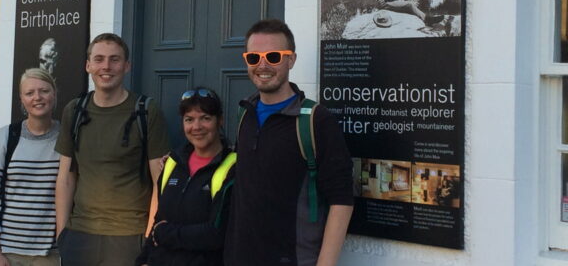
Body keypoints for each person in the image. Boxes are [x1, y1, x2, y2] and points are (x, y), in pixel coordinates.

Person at [224, 19, 354, 266]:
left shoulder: (316, 120)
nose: (263, 65)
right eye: (254, 58)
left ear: (291, 60)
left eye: (273, 56)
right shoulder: (245, 114)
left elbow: (342, 199)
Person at [55, 33, 170, 266]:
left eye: (114, 59)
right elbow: (66, 177)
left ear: (126, 66)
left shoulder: (146, 111)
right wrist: (62, 234)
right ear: (88, 65)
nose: (106, 66)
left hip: (129, 236)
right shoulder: (74, 110)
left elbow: (161, 181)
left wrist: (149, 238)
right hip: (80, 235)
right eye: (99, 59)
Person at [135, 88, 234, 266]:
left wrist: (164, 233)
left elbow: (216, 234)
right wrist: (143, 260)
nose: (196, 127)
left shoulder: (234, 167)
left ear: (220, 121)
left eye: (205, 118)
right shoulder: (173, 163)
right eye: (189, 119)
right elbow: (159, 221)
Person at [0, 68, 61, 266]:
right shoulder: (6, 137)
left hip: (52, 255)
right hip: (8, 254)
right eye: (29, 93)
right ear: (22, 99)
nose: (37, 97)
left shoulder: (67, 137)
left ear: (54, 94)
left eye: (44, 91)